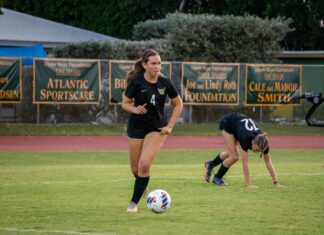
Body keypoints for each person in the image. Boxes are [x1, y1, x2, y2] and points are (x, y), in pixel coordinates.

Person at [122, 49, 183, 212]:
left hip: (157, 128)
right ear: (144, 65)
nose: (157, 67)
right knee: (136, 170)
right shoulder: (136, 82)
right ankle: (143, 187)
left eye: (159, 63)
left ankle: (133, 203)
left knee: (145, 164)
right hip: (136, 128)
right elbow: (125, 103)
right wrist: (134, 109)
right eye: (153, 63)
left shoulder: (165, 82)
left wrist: (170, 126)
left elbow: (179, 104)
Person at [204, 112, 283, 188]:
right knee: (235, 156)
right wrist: (248, 185)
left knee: (231, 152)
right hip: (227, 123)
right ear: (252, 142)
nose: (257, 152)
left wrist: (276, 183)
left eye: (259, 151)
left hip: (237, 124)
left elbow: (268, 162)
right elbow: (245, 163)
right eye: (256, 150)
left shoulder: (263, 143)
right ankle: (217, 177)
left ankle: (210, 164)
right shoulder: (245, 138)